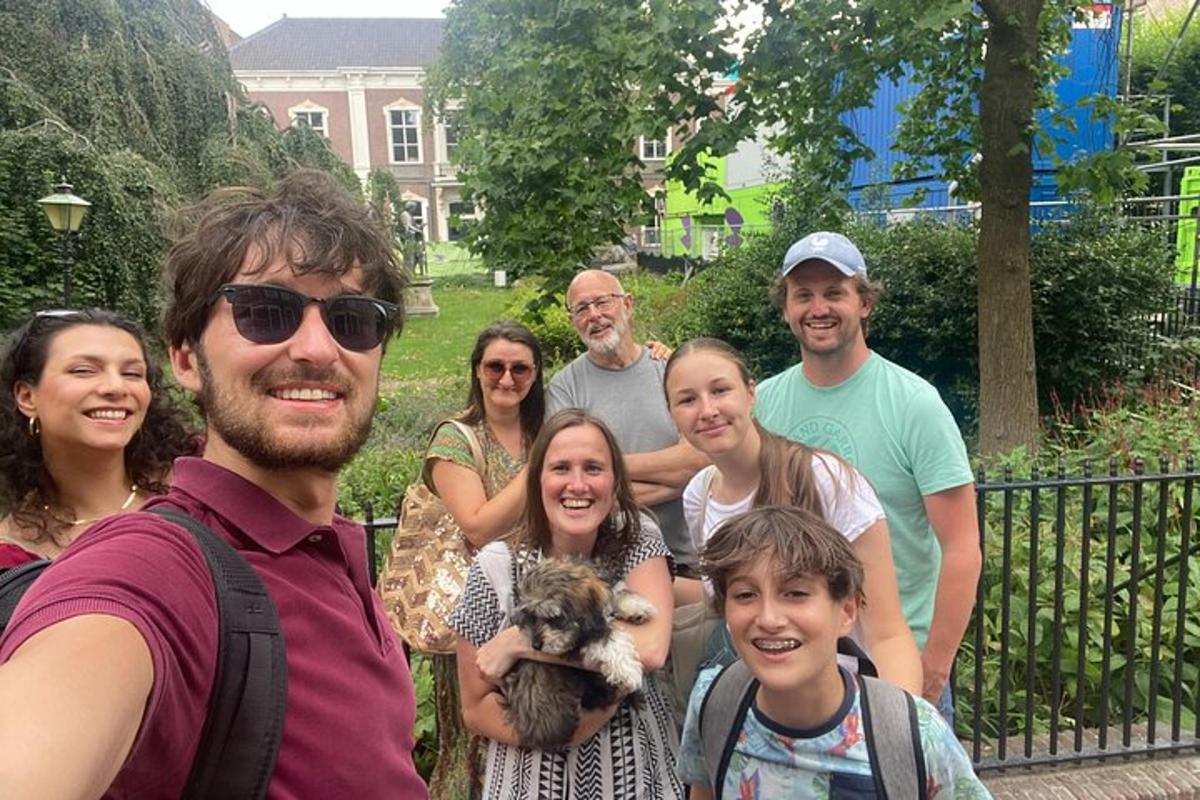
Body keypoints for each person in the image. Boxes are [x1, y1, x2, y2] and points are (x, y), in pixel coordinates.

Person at [0, 170, 428, 798]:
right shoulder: (150, 570)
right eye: (264, 312)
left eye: (353, 319)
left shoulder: (330, 546)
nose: (316, 347)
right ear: (184, 358)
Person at [753, 231, 981, 718]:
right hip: (797, 665)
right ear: (786, 308)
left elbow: (962, 548)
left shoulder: (913, 404)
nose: (819, 307)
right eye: (803, 295)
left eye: (835, 292)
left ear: (865, 303)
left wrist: (934, 666)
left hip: (895, 663)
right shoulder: (766, 401)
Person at [678, 505, 991, 799]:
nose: (769, 619)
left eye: (795, 593)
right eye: (745, 595)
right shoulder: (713, 700)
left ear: (847, 611)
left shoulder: (915, 734)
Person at [664, 337, 921, 694]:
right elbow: (725, 598)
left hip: (850, 706)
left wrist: (898, 730)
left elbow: (887, 632)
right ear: (672, 414)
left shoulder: (824, 479)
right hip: (764, 711)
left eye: (720, 390)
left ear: (751, 393)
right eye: (687, 399)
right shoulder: (699, 497)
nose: (707, 410)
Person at [450, 409, 682, 799]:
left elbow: (650, 651)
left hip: (637, 779)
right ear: (536, 478)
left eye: (593, 468)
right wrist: (566, 734)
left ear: (614, 480)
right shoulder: (494, 565)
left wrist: (522, 642)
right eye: (560, 468)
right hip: (532, 782)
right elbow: (475, 709)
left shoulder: (637, 539)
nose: (578, 484)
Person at [420, 320, 545, 798]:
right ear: (477, 371)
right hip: (476, 613)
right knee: (476, 741)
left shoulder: (542, 432)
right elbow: (476, 525)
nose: (507, 379)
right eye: (495, 367)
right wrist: (538, 466)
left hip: (534, 608)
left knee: (532, 722)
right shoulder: (457, 438)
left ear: (535, 375)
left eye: (520, 368)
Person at [0, 309, 194, 568]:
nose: (115, 387)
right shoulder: (12, 558)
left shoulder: (199, 488)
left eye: (132, 373)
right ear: (26, 397)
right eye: (84, 371)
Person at [546, 269, 707, 570]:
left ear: (628, 305)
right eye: (582, 309)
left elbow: (698, 462)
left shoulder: (670, 369)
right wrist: (677, 479)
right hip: (612, 567)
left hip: (690, 560)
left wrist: (604, 472)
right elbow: (576, 487)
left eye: (602, 302)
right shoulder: (564, 388)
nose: (594, 315)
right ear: (573, 322)